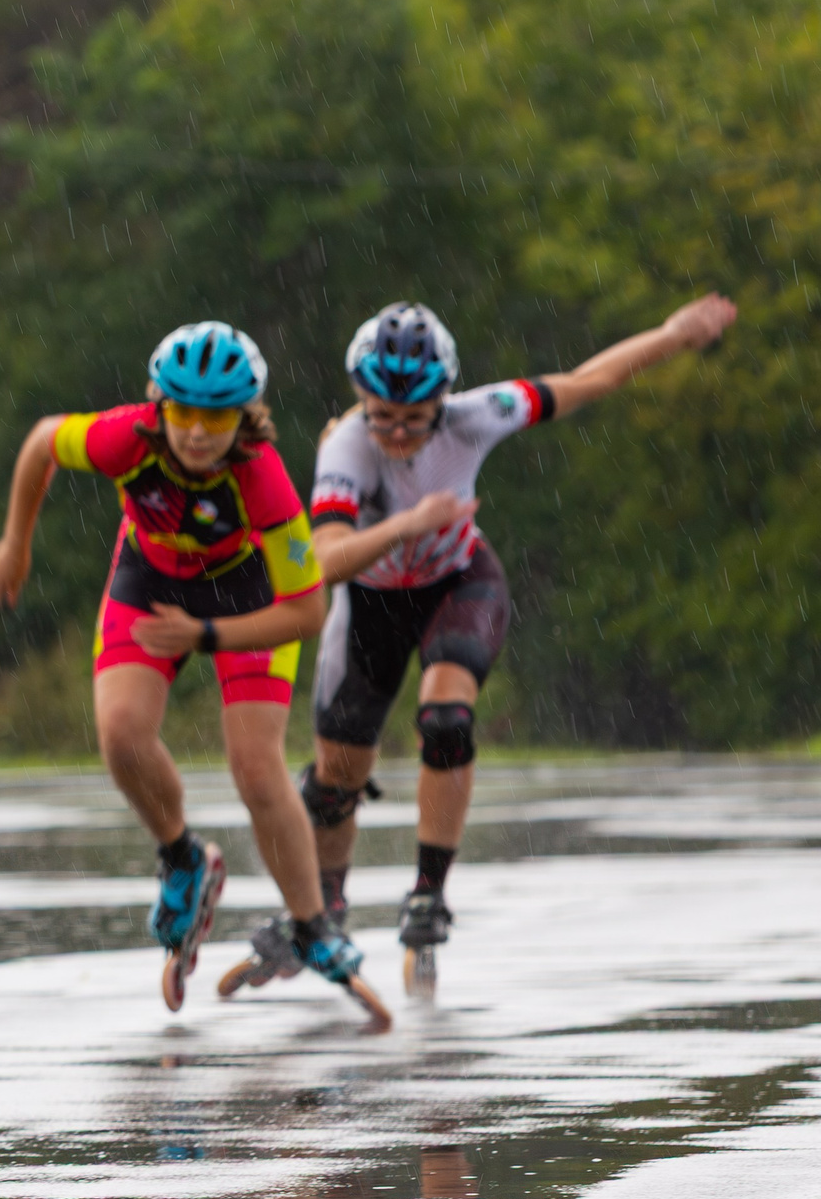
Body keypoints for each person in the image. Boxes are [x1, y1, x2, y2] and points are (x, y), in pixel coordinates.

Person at [274, 293, 736, 991]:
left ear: (444, 403)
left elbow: (589, 380)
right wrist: (409, 523)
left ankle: (428, 892)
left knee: (447, 719)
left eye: (415, 420)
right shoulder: (345, 446)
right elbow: (323, 562)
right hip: (368, 603)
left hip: (457, 581)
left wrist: (673, 333)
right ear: (361, 400)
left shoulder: (476, 416)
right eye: (383, 417)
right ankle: (326, 907)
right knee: (334, 783)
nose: (397, 433)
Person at [0, 322, 375, 1016]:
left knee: (256, 769)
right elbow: (44, 440)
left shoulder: (265, 482)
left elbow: (308, 612)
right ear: (159, 405)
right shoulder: (125, 438)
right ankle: (184, 858)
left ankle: (314, 927)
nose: (196, 432)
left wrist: (205, 635)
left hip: (247, 597)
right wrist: (16, 541)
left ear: (245, 417)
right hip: (151, 576)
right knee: (122, 735)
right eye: (183, 413)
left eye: (216, 416)